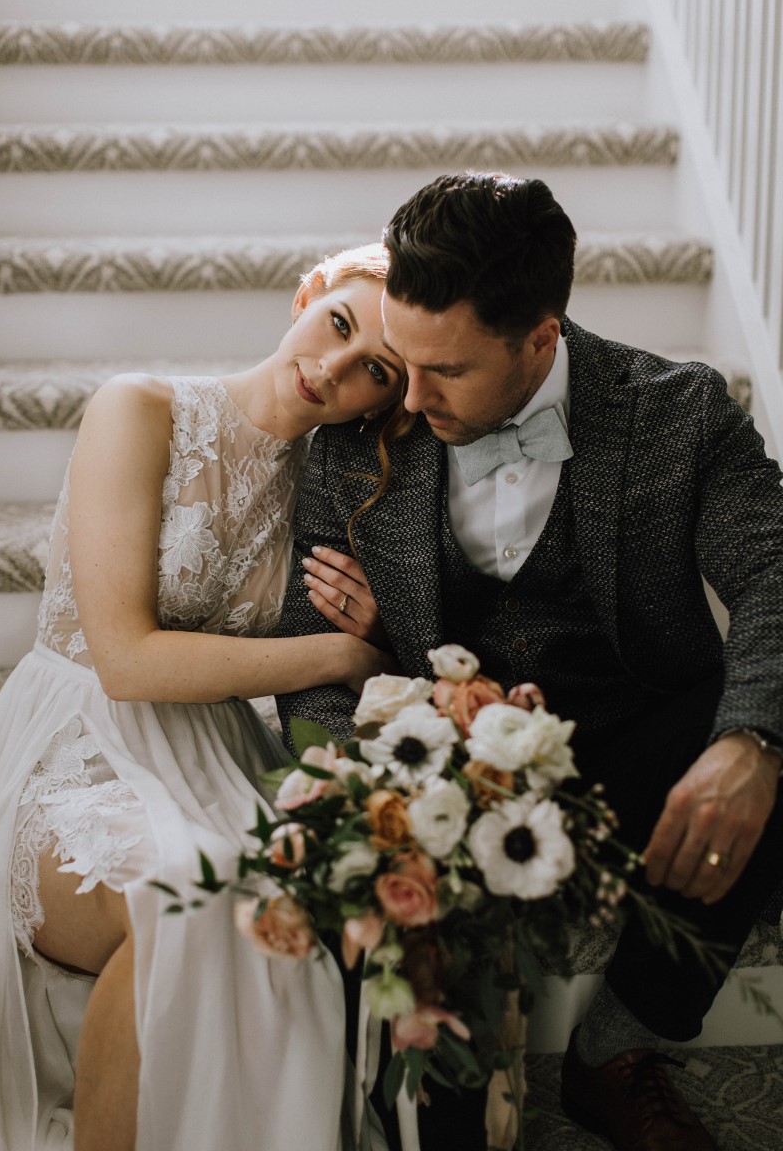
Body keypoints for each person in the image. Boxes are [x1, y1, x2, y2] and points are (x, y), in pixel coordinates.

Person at [276, 173, 783, 1151]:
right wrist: (350, 793)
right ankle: (445, 1107)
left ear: (539, 336)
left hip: (634, 746)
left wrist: (749, 744)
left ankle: (616, 1051)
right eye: (399, 358)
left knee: (769, 724)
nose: (406, 395)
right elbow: (304, 654)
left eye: (446, 372)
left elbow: (773, 573)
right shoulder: (360, 429)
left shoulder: (677, 414)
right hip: (440, 763)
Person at [0, 244, 409, 1151]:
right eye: (336, 325)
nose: (332, 371)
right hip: (79, 741)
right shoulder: (139, 409)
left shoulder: (335, 490)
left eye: (375, 369)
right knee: (185, 895)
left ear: (387, 398)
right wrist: (335, 652)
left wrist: (373, 626)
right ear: (307, 295)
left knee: (277, 912)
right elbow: (127, 661)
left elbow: (388, 640)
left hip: (213, 755)